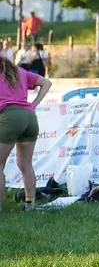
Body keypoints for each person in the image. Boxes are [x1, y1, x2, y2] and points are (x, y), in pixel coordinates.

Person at [0, 57, 52, 211]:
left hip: (9, 116)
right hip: (30, 117)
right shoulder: (20, 71)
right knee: (25, 165)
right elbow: (47, 83)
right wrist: (34, 104)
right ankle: (30, 204)